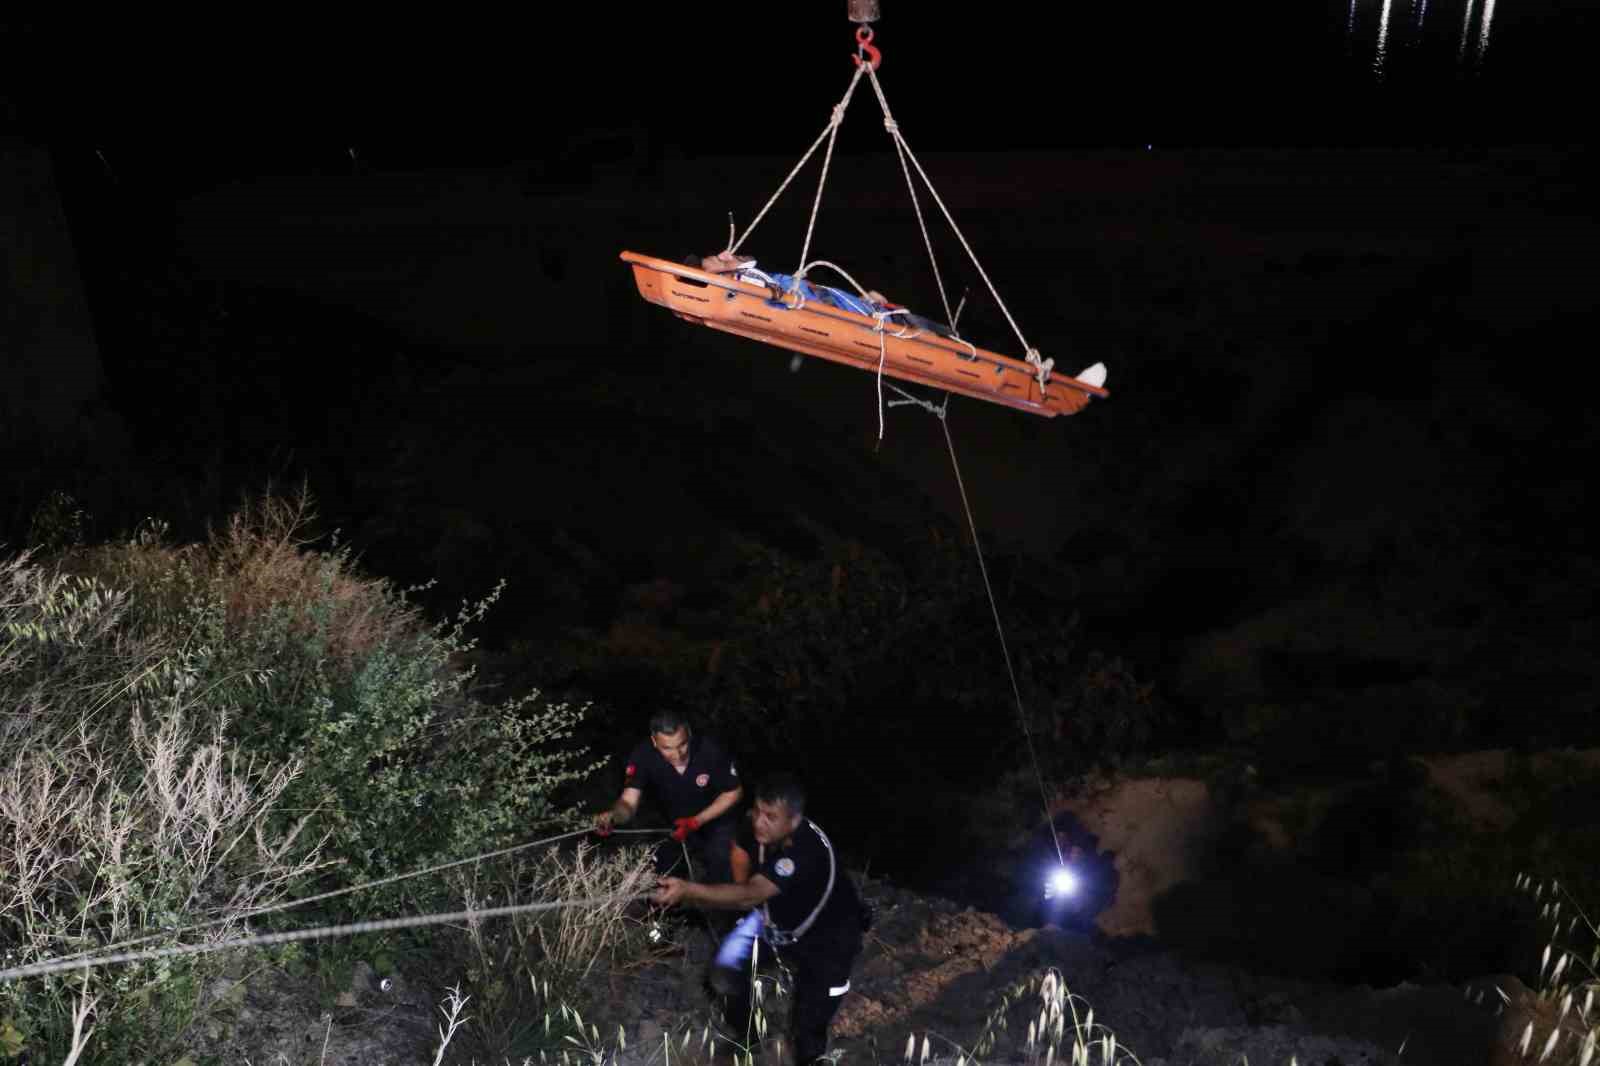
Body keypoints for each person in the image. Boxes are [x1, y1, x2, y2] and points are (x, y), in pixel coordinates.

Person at [654, 774, 864, 1066]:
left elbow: (752, 894)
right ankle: (750, 1039)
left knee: (808, 1025)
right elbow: (740, 851)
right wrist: (742, 901)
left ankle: (810, 1055)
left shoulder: (806, 850)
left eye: (771, 817)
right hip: (773, 918)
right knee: (724, 973)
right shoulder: (754, 823)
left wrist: (688, 890)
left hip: (828, 937)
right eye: (758, 812)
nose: (759, 822)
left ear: (794, 820)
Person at [595, 710, 743, 884]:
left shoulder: (710, 749)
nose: (677, 754)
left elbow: (734, 792)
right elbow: (628, 802)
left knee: (722, 871)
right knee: (662, 875)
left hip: (716, 821)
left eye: (682, 744)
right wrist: (613, 817)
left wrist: (696, 821)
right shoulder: (643, 755)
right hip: (674, 824)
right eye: (667, 748)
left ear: (689, 732)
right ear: (654, 741)